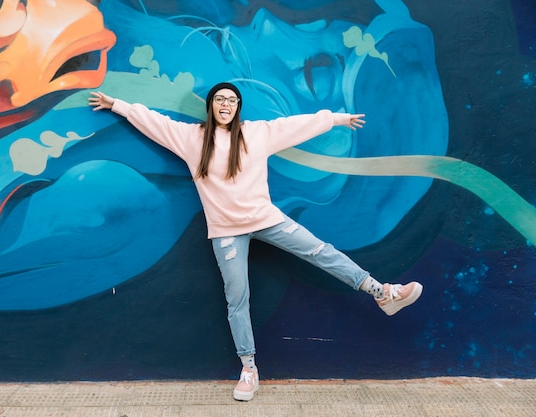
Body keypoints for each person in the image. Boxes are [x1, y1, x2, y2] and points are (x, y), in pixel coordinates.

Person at [88, 82, 423, 402]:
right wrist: (116, 105)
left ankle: (382, 293)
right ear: (210, 106)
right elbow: (153, 121)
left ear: (238, 107)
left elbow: (296, 126)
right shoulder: (192, 138)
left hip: (267, 219)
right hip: (225, 231)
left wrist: (335, 119)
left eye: (231, 100)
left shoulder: (257, 133)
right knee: (237, 299)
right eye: (219, 99)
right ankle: (249, 368)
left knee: (321, 251)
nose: (225, 105)